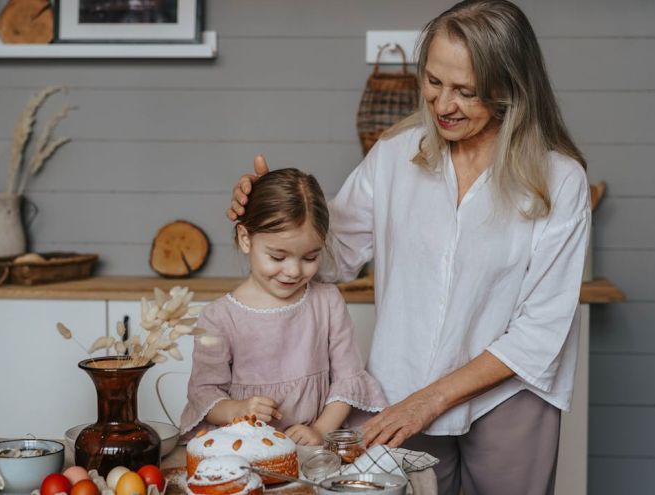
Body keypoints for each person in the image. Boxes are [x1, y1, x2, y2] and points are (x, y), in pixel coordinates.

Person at [227, 1, 590, 493]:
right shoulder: (395, 157)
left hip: (509, 401)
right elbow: (332, 257)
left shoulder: (559, 181)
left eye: (466, 91)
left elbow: (540, 331)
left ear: (510, 89)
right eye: (434, 82)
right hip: (397, 394)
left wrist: (430, 401)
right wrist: (274, 221)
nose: (443, 105)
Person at [180, 168, 387, 446]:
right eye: (278, 256)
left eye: (310, 257)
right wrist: (239, 410)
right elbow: (204, 395)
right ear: (245, 239)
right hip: (245, 449)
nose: (293, 271)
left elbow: (348, 380)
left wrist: (321, 430)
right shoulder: (219, 317)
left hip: (312, 449)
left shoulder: (327, 302)